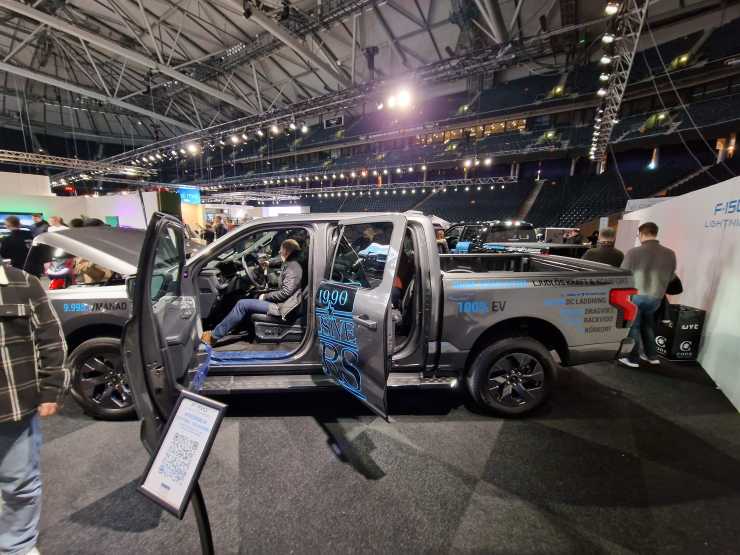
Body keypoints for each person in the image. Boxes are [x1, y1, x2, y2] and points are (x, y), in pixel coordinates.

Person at [0, 261, 69, 555]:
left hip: (13, 407)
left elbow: (51, 339)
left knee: (19, 484)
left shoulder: (24, 284)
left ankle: (17, 546)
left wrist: (52, 389)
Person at [201, 239, 303, 345]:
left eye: (281, 250)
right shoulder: (293, 262)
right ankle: (234, 326)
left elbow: (286, 292)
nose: (279, 252)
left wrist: (265, 296)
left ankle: (213, 337)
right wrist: (268, 263)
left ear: (286, 251)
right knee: (249, 297)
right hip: (286, 304)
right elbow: (279, 261)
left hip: (283, 308)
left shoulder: (293, 268)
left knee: (242, 304)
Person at [618, 222, 677, 368]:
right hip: (657, 297)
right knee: (648, 326)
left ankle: (632, 359)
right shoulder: (670, 253)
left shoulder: (633, 252)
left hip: (637, 295)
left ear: (641, 234)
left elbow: (623, 273)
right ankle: (651, 356)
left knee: (634, 327)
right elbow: (672, 277)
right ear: (655, 233)